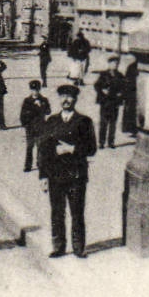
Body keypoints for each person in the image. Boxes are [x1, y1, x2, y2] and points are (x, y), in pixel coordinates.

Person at [37, 83, 97, 258]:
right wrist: (43, 176)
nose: (66, 100)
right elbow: (43, 150)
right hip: (55, 175)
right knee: (57, 212)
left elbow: (91, 148)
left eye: (69, 97)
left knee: (77, 213)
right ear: (59, 99)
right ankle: (59, 246)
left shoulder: (84, 122)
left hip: (76, 175)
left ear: (75, 99)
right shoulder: (52, 121)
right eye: (63, 96)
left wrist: (72, 149)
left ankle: (79, 247)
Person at [18, 79, 50, 172]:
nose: (35, 92)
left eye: (36, 90)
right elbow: (23, 114)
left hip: (41, 127)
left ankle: (40, 163)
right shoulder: (27, 101)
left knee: (40, 146)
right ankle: (28, 165)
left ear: (39, 90)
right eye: (33, 90)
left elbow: (48, 111)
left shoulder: (44, 100)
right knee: (29, 146)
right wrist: (25, 125)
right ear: (30, 90)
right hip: (30, 127)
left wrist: (41, 106)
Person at [94, 59, 125, 149]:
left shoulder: (120, 75)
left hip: (115, 102)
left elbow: (124, 87)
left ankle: (111, 142)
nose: (114, 65)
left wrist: (121, 93)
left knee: (113, 123)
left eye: (116, 64)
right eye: (112, 63)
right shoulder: (103, 74)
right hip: (105, 102)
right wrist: (102, 90)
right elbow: (96, 85)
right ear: (109, 64)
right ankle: (101, 142)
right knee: (103, 122)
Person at [121, 52, 140, 135]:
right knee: (132, 111)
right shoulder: (132, 67)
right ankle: (132, 129)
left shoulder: (132, 66)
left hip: (135, 91)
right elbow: (127, 81)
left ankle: (134, 129)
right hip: (132, 92)